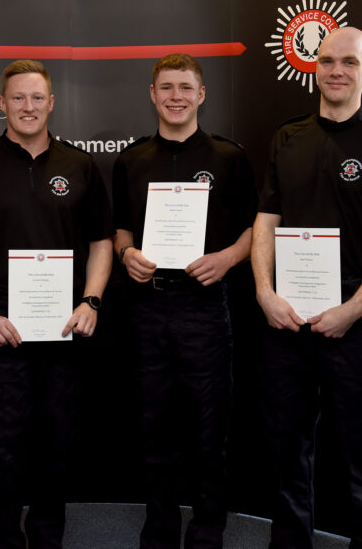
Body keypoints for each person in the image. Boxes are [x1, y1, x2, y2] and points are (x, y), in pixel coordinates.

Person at [251, 27, 362, 548]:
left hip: (358, 324)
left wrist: (352, 309)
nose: (336, 70)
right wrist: (263, 291)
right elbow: (267, 218)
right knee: (287, 454)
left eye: (350, 62)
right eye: (327, 60)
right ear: (314, 66)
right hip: (287, 321)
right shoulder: (287, 136)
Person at [0, 59, 113, 549]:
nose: (28, 107)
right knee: (2, 445)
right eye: (18, 98)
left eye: (37, 97)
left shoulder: (79, 165)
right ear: (2, 104)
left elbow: (102, 241)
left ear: (52, 103)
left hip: (62, 325)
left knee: (56, 442)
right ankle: (4, 541)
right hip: (0, 324)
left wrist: (92, 302)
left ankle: (47, 539)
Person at [111, 53, 257, 548]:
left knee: (208, 423)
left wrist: (228, 259)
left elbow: (256, 228)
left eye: (185, 87)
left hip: (204, 306)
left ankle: (208, 526)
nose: (176, 96)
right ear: (152, 94)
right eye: (166, 87)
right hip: (148, 307)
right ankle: (161, 524)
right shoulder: (131, 160)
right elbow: (120, 228)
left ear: (202, 95)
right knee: (153, 422)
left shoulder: (229, 158)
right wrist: (127, 252)